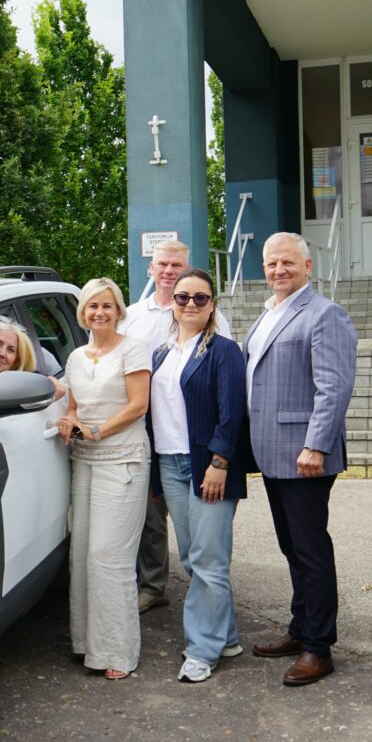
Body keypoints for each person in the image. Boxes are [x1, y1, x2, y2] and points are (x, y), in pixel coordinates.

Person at [244, 232, 357, 687]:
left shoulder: (325, 315)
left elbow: (334, 387)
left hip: (303, 455)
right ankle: (300, 628)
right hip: (272, 453)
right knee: (291, 547)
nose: (278, 271)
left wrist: (316, 444)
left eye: (287, 263)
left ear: (308, 266)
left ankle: (318, 647)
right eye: (271, 264)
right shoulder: (269, 312)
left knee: (310, 550)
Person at [119, 240, 232, 616]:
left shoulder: (215, 328)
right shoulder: (133, 317)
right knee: (156, 523)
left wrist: (220, 456)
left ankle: (209, 631)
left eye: (176, 265)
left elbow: (228, 389)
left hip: (199, 446)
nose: (168, 271)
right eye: (162, 264)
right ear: (151, 268)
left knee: (203, 547)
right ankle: (154, 587)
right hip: (152, 438)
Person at [148, 269, 247, 683]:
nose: (190, 304)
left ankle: (202, 650)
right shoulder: (160, 353)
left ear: (212, 306)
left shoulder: (224, 351)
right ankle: (226, 635)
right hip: (170, 464)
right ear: (172, 302)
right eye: (183, 297)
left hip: (208, 465)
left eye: (200, 299)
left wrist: (220, 463)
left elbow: (232, 413)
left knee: (208, 559)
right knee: (192, 557)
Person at [55, 277, 151, 680]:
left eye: (107, 306)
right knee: (81, 556)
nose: (99, 313)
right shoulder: (77, 356)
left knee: (108, 558)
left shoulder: (133, 348)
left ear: (119, 310)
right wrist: (71, 421)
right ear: (83, 313)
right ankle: (87, 643)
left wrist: (96, 431)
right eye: (92, 306)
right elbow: (75, 404)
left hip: (123, 459)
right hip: (85, 459)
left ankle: (118, 651)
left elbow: (138, 406)